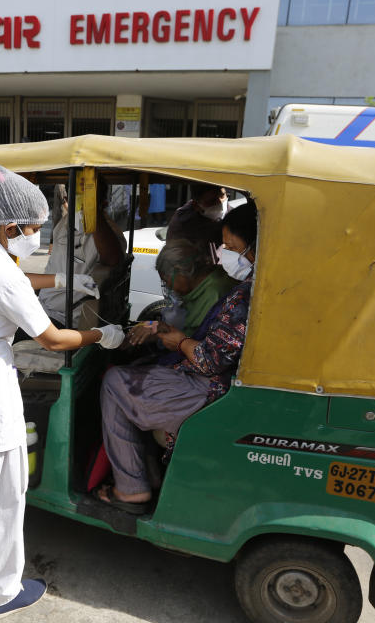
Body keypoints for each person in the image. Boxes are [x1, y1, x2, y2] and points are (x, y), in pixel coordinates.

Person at [0, 165, 123, 620]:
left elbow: (8, 287)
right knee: (1, 495)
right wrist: (101, 336)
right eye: (33, 228)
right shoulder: (3, 271)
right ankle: (1, 594)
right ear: (12, 226)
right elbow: (53, 339)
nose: (36, 235)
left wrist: (54, 281)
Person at [96, 202, 258, 513]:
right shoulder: (243, 287)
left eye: (232, 247)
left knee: (115, 381)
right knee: (133, 371)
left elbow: (210, 359)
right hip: (208, 377)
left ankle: (131, 489)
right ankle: (147, 475)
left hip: (212, 389)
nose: (225, 252)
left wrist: (179, 340)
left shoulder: (241, 295)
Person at [37, 181, 125, 329]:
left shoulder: (104, 232)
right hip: (43, 308)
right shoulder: (69, 221)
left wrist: (92, 210)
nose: (79, 202)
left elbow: (113, 258)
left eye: (85, 196)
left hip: (60, 318)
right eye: (76, 194)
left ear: (101, 202)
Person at [127, 238, 237, 342]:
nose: (169, 287)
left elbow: (198, 345)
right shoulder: (203, 287)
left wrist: (163, 329)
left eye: (167, 281)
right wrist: (158, 328)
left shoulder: (215, 293)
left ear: (180, 272)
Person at [166, 182, 229, 260]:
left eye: (222, 196)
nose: (220, 203)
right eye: (211, 201)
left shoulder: (233, 215)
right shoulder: (183, 223)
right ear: (196, 205)